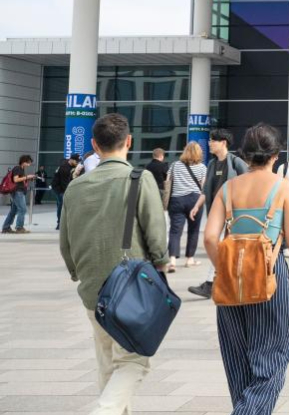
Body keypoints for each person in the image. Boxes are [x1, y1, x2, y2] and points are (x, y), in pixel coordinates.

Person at [59, 113, 168, 415]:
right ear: (129, 141)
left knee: (108, 365)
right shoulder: (140, 179)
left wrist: (77, 273)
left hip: (92, 290)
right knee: (134, 362)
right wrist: (161, 265)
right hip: (131, 289)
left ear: (94, 145)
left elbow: (65, 242)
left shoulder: (75, 187)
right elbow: (156, 234)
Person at [204, 123, 289, 414]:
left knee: (237, 360)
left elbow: (210, 237)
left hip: (230, 280)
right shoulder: (284, 188)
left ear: (245, 154)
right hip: (269, 274)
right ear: (275, 155)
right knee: (274, 356)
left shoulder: (228, 188)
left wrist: (225, 269)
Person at [189, 129, 249, 300]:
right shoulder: (212, 164)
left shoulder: (236, 162)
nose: (209, 143)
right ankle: (220, 282)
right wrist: (196, 206)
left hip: (233, 213)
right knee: (218, 245)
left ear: (223, 142)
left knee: (224, 247)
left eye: (212, 140)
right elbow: (206, 190)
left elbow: (248, 184)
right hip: (216, 212)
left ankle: (213, 283)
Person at [165, 142, 207, 273]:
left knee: (175, 231)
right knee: (193, 230)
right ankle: (189, 259)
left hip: (177, 200)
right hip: (195, 200)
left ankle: (172, 261)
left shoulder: (175, 165)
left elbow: (168, 181)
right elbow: (203, 187)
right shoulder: (202, 168)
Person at [2, 155, 36, 234]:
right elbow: (16, 179)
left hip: (18, 191)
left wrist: (29, 178)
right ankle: (19, 227)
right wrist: (27, 177)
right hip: (17, 192)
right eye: (28, 163)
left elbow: (20, 180)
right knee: (22, 209)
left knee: (13, 211)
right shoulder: (18, 168)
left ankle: (6, 227)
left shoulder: (21, 169)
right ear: (23, 162)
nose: (29, 165)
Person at [51, 154, 79, 229]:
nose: (77, 163)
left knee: (61, 205)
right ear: (71, 160)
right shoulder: (64, 168)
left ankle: (63, 222)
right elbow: (64, 183)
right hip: (59, 188)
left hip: (62, 187)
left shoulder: (71, 166)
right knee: (62, 205)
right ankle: (60, 223)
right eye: (76, 161)